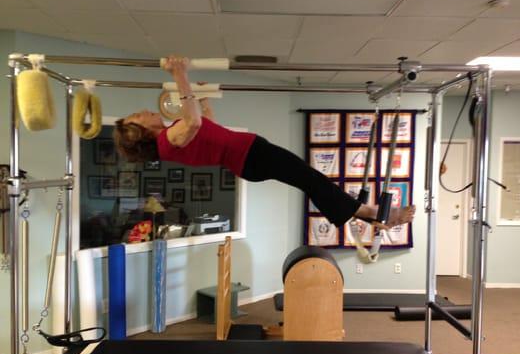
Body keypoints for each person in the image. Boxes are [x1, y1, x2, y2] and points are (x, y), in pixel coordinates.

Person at [113, 56, 415, 230]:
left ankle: (369, 214)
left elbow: (204, 124)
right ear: (141, 133)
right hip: (250, 157)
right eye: (138, 116)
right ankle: (371, 213)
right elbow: (193, 122)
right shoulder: (168, 140)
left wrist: (203, 100)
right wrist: (179, 72)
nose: (143, 111)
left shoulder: (172, 134)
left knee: (310, 180)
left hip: (250, 154)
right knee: (311, 179)